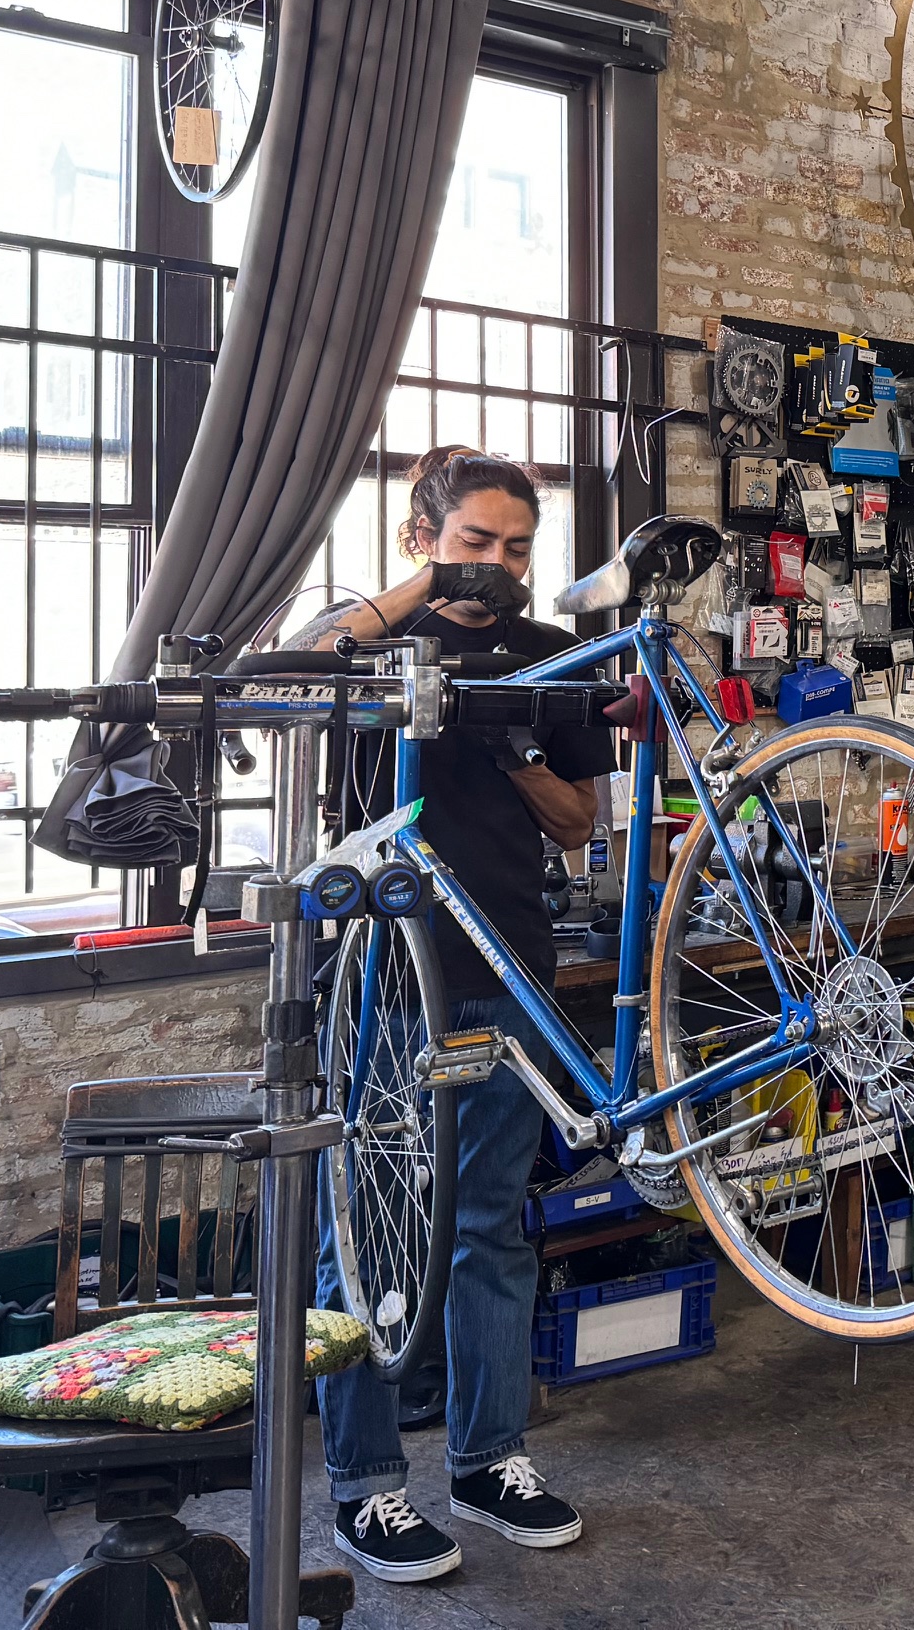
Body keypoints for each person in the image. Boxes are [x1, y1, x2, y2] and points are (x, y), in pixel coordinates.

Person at [301, 447, 617, 1582]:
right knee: (367, 1229)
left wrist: (509, 738)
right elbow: (300, 661)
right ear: (420, 537)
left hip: (505, 964)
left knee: (488, 1224)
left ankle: (490, 1463)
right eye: (475, 542)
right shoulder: (362, 641)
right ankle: (366, 1491)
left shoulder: (551, 655)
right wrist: (426, 606)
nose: (498, 568)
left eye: (518, 549)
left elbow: (580, 819)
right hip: (380, 974)